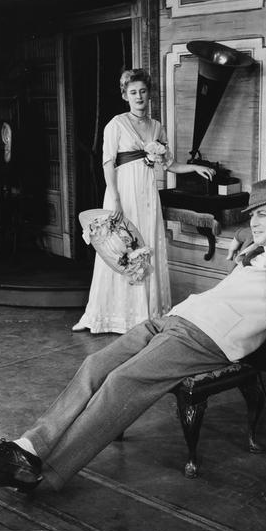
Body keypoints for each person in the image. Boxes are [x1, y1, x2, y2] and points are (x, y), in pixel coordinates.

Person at [0, 179, 266, 493]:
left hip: (206, 336)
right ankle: (28, 447)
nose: (254, 222)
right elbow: (248, 237)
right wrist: (243, 240)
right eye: (252, 215)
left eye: (263, 214)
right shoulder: (254, 242)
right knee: (94, 364)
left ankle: (45, 475)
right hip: (176, 318)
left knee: (122, 382)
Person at [72, 68, 216, 334]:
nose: (138, 97)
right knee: (118, 247)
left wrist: (195, 167)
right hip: (122, 193)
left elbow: (170, 164)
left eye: (142, 91)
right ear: (125, 96)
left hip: (147, 195)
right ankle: (103, 315)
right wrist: (115, 198)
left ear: (149, 94)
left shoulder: (157, 127)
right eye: (133, 92)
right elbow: (107, 163)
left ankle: (144, 314)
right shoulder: (116, 124)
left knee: (146, 245)